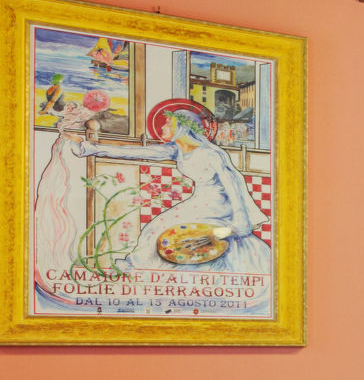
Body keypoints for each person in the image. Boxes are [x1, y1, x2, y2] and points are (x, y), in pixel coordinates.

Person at [72, 108, 271, 275]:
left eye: (168, 123)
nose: (162, 127)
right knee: (155, 227)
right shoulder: (176, 149)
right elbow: (135, 152)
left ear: (181, 127)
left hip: (220, 205)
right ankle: (136, 266)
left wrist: (240, 221)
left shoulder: (210, 154)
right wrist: (88, 148)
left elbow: (233, 186)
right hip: (200, 200)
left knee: (166, 227)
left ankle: (139, 267)